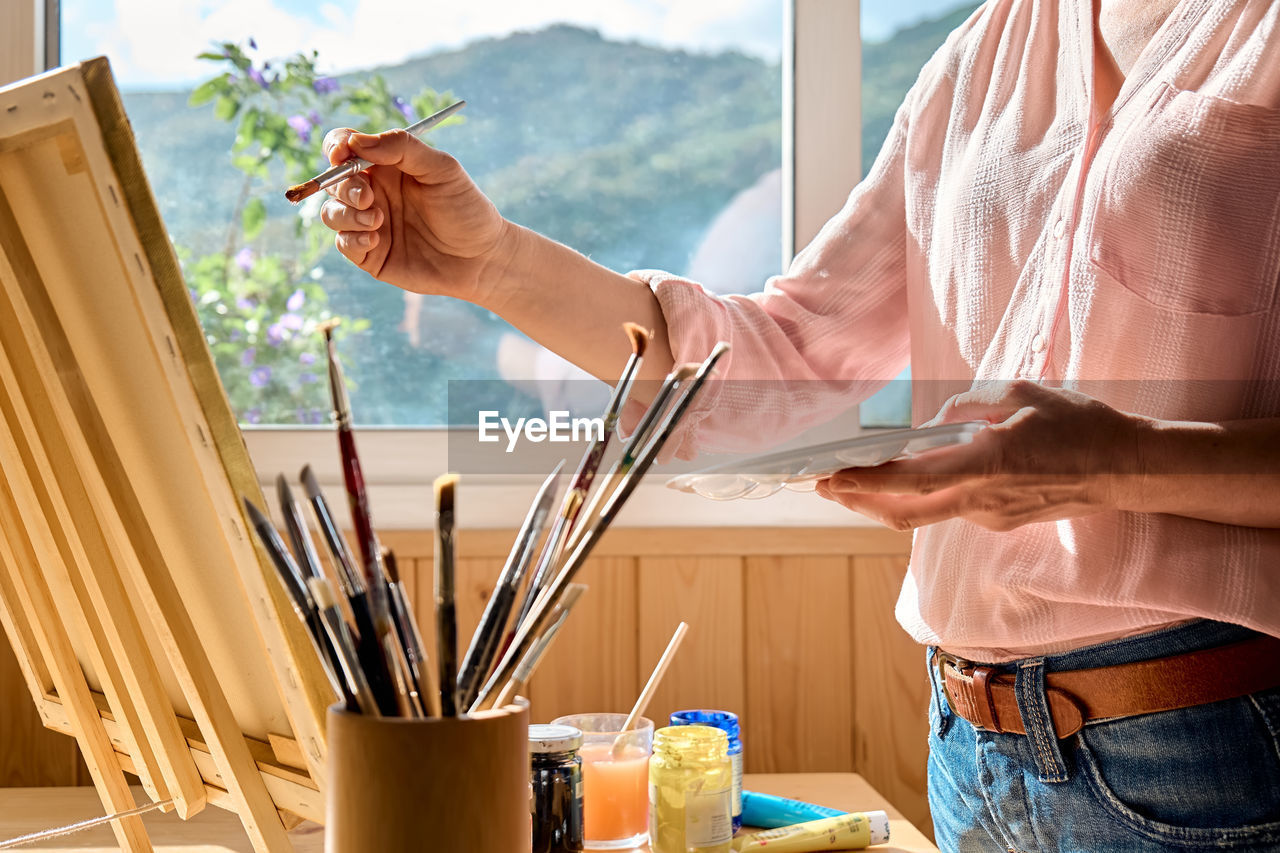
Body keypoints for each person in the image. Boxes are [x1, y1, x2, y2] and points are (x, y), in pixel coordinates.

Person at [319, 0, 1280, 849]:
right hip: (970, 753)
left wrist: (1121, 463)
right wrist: (490, 263)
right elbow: (787, 354)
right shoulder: (982, 51)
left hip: (1211, 741)